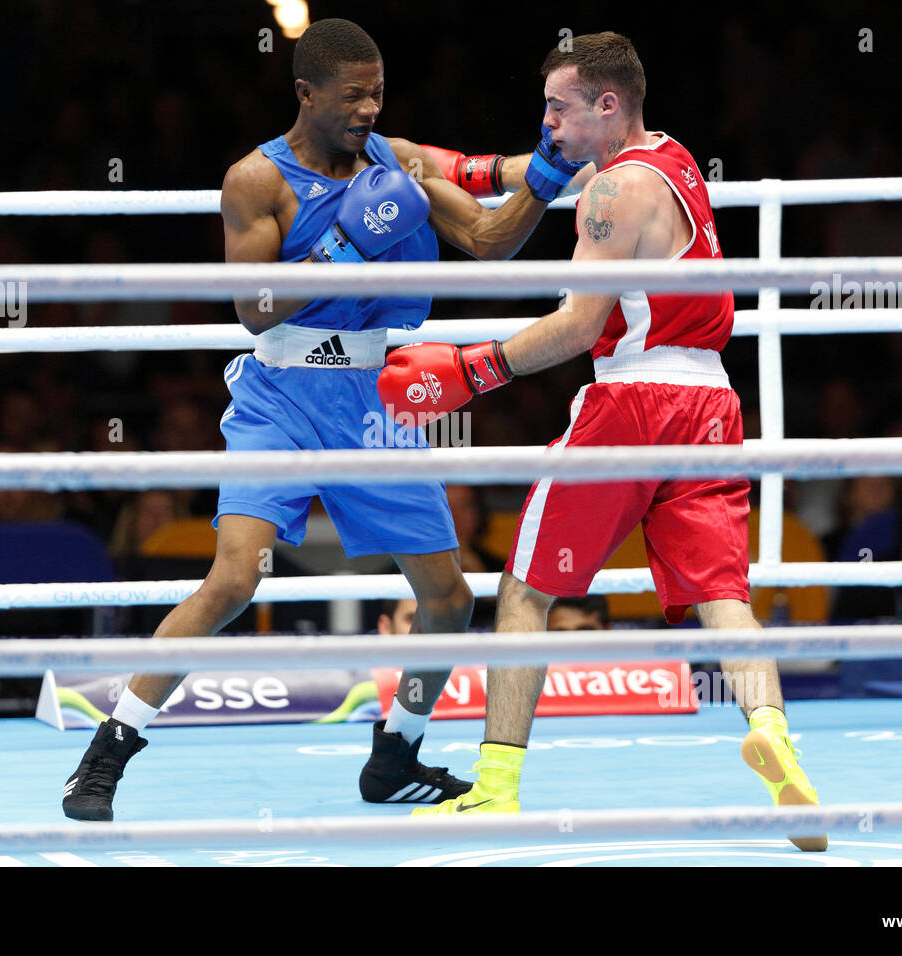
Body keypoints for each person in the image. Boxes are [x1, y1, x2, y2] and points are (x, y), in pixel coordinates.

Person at [62, 18, 587, 821]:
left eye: (378, 92)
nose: (370, 109)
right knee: (235, 578)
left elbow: (488, 238)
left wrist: (549, 173)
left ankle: (395, 757)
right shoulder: (255, 181)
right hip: (280, 396)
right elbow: (252, 307)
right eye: (353, 95)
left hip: (374, 402)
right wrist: (345, 243)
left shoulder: (399, 163)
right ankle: (105, 755)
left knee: (448, 601)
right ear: (305, 93)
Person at [382, 32, 826, 851]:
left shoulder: (613, 193)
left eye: (560, 106)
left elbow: (579, 325)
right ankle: (778, 742)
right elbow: (524, 170)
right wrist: (432, 161)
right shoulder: (672, 160)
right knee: (723, 597)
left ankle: (495, 790)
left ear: (608, 104)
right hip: (712, 405)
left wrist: (474, 369)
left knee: (525, 590)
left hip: (630, 404)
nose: (547, 118)